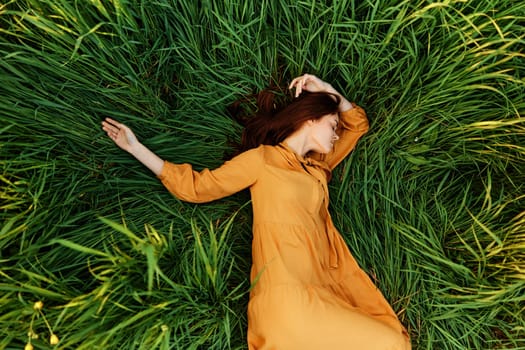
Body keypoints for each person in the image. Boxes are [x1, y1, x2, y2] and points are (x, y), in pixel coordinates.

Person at [102, 74, 411, 349]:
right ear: (311, 119)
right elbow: (197, 188)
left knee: (391, 339)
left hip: (324, 292)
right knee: (392, 342)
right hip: (287, 298)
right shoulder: (262, 160)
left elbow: (357, 125)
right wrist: (135, 148)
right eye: (331, 125)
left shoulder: (317, 167)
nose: (335, 133)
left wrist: (329, 91)